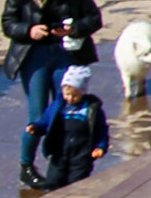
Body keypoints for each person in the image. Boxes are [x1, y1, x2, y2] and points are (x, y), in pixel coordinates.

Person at [1, 0, 102, 188]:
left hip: (64, 54)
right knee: (37, 114)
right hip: (33, 57)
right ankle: (26, 165)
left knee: (64, 108)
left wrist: (73, 28)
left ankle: (61, 162)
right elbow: (8, 23)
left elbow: (94, 19)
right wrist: (28, 30)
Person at [26, 62, 112, 190]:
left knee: (76, 184)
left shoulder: (91, 109)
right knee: (53, 181)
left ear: (82, 92)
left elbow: (101, 130)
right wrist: (35, 128)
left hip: (82, 153)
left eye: (75, 95)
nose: (70, 98)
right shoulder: (58, 106)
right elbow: (45, 122)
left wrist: (100, 147)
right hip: (59, 151)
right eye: (67, 94)